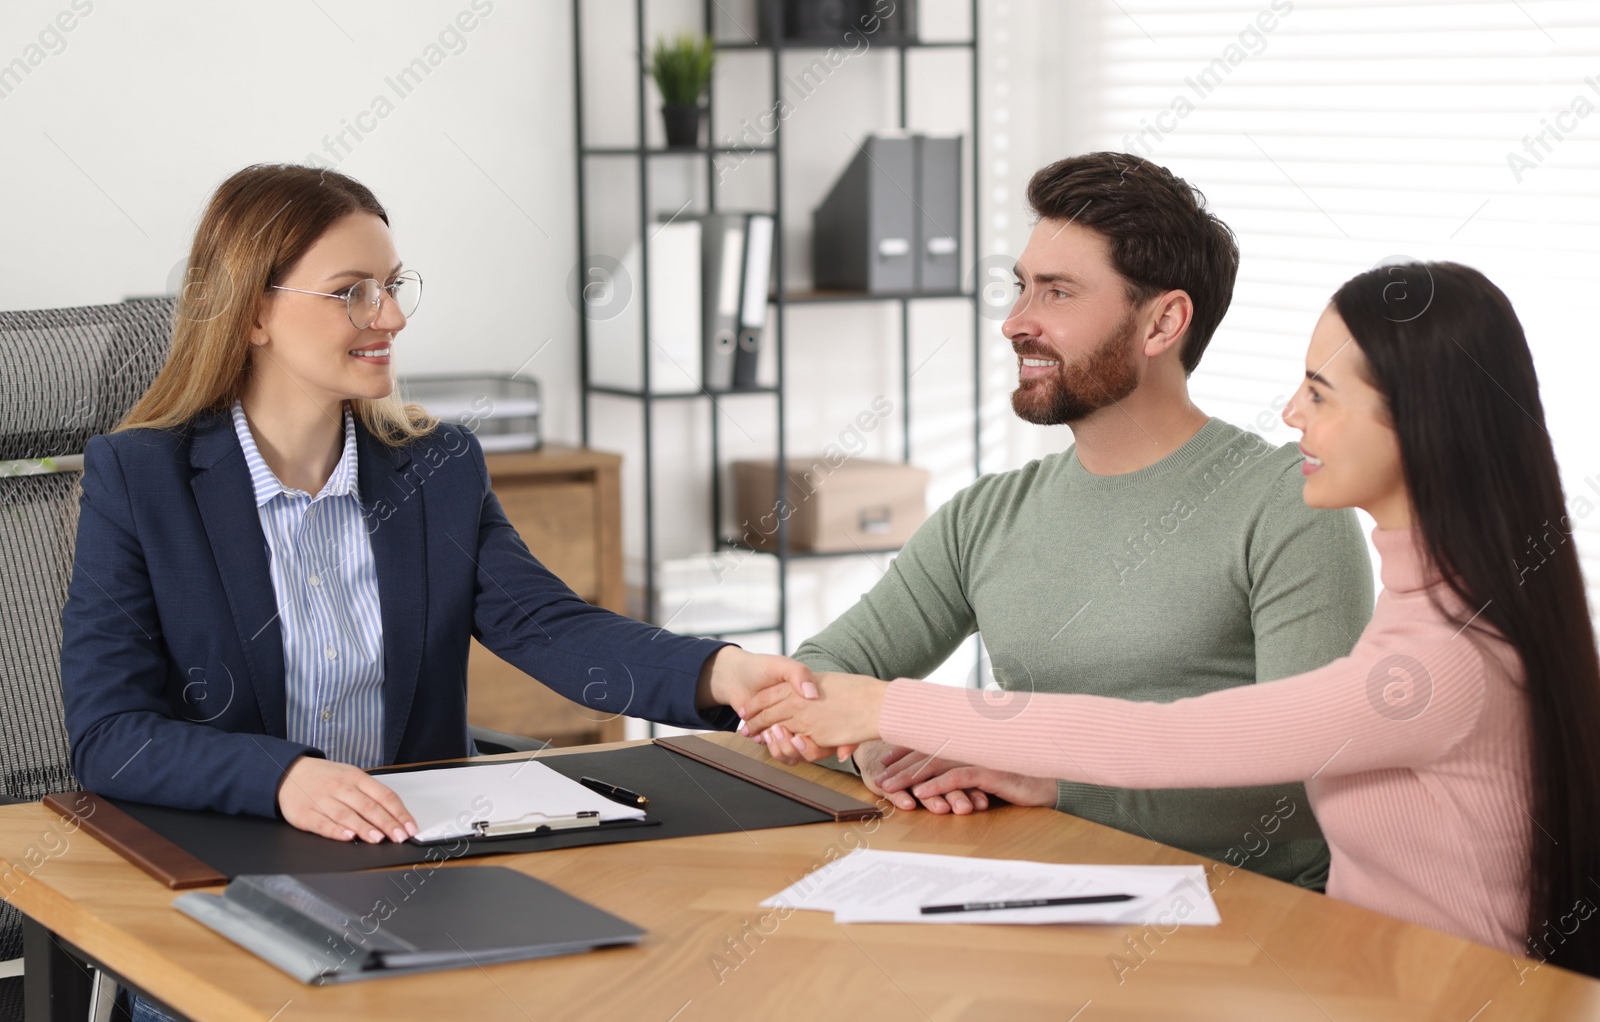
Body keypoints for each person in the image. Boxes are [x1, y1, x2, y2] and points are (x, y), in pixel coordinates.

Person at [741, 261, 1600, 973]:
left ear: (1422, 424)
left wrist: (883, 704)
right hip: (1356, 973)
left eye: (1320, 392)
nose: (1292, 413)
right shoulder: (1435, 603)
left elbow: (1180, 739)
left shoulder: (1443, 659)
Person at [60, 163, 820, 848]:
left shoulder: (436, 468)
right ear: (253, 313)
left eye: (393, 286)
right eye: (352, 291)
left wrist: (722, 671)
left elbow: (548, 625)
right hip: (225, 863)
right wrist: (284, 777)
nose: (390, 316)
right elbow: (111, 733)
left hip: (411, 859)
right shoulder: (140, 479)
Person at [766, 153, 1373, 890]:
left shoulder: (1289, 504)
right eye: (1022, 287)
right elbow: (821, 671)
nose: (1016, 323)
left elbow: (1304, 773)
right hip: (1041, 897)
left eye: (1057, 292)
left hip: (1252, 925)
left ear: (1162, 322)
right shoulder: (986, 515)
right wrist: (875, 746)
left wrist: (1054, 781)